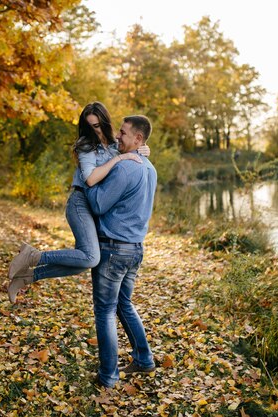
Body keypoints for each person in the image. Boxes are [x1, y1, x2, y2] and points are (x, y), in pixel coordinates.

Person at [7, 102, 149, 303]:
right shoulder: (85, 146)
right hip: (81, 202)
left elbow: (135, 148)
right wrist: (119, 159)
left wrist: (143, 150)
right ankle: (33, 256)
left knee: (84, 262)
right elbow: (90, 179)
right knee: (91, 257)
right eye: (91, 126)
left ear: (105, 123)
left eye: (98, 125)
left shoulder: (115, 144)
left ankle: (26, 277)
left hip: (98, 205)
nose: (96, 131)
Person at [84, 115, 158, 388]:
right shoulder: (150, 167)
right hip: (135, 250)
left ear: (138, 139)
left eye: (124, 133)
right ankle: (144, 359)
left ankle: (108, 376)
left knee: (105, 310)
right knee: (124, 305)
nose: (118, 136)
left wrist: (85, 184)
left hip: (114, 250)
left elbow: (98, 204)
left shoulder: (127, 169)